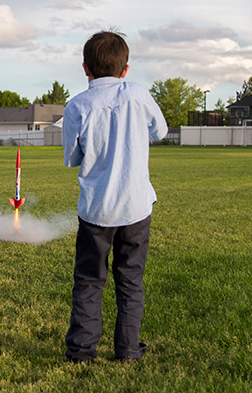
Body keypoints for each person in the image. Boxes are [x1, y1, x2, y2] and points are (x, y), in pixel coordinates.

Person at [62, 30, 168, 363]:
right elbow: (160, 131)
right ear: (125, 69)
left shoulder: (77, 105)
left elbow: (72, 158)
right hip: (136, 206)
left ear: (85, 68)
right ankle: (128, 351)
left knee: (90, 281)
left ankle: (81, 351)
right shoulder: (138, 94)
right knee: (130, 280)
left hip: (96, 210)